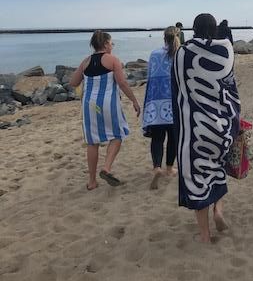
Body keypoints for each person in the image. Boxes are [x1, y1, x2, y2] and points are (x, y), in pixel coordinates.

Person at [172, 13, 240, 243]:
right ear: (215, 28)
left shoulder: (183, 53)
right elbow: (231, 88)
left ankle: (204, 235)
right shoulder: (226, 50)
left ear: (193, 29)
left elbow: (178, 89)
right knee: (219, 168)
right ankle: (218, 209)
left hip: (194, 128)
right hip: (220, 125)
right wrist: (234, 119)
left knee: (197, 179)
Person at [70, 30, 141, 190]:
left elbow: (73, 82)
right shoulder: (113, 60)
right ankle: (106, 168)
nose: (112, 46)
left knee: (92, 142)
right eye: (111, 43)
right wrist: (134, 101)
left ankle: (92, 181)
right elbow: (122, 83)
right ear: (105, 44)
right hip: (108, 103)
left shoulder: (86, 61)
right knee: (117, 134)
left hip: (89, 105)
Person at [142, 26, 180, 189]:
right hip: (174, 102)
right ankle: (169, 168)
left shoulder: (154, 54)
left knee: (157, 137)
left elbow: (150, 77)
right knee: (173, 137)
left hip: (156, 101)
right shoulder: (180, 54)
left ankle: (157, 167)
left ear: (164, 38)